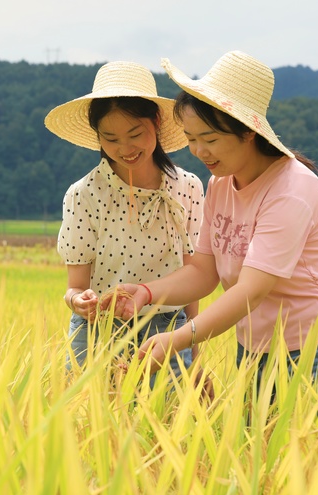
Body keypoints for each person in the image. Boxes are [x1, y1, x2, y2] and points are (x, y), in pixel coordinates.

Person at [102, 51, 318, 403]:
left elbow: (251, 290)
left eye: (209, 139)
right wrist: (146, 293)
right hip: (255, 346)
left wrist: (176, 339)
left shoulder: (292, 188)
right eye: (191, 139)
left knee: (315, 454)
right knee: (256, 452)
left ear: (248, 132)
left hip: (317, 350)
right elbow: (204, 273)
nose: (198, 151)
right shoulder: (221, 184)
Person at [44, 61, 205, 387]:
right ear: (97, 137)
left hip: (168, 328)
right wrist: (79, 301)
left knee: (166, 425)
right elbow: (74, 287)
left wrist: (195, 342)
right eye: (111, 138)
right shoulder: (84, 194)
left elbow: (195, 274)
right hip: (99, 329)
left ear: (156, 123)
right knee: (88, 426)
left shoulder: (188, 187)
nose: (125, 148)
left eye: (135, 134)